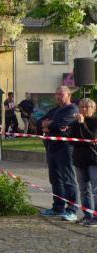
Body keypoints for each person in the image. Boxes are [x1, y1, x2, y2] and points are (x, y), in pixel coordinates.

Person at [38, 86, 79, 221]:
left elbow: (59, 125)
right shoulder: (55, 110)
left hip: (64, 148)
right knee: (55, 179)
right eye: (56, 94)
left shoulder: (72, 109)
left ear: (69, 95)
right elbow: (39, 123)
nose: (57, 96)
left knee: (68, 179)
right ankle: (58, 207)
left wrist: (49, 125)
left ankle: (72, 209)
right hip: (51, 147)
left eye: (61, 94)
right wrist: (47, 124)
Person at [72, 98, 97, 226]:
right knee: (83, 190)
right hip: (79, 160)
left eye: (87, 107)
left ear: (94, 109)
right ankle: (87, 215)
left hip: (93, 160)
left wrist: (82, 124)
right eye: (81, 107)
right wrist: (77, 124)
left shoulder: (95, 122)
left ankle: (96, 217)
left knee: (95, 190)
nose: (84, 109)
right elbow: (71, 139)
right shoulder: (75, 123)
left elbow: (91, 138)